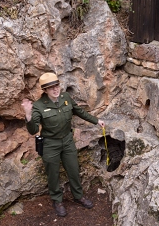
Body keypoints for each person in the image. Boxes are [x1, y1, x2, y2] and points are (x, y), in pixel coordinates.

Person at [21, 72, 105, 217]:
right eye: (51, 88)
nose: (55, 89)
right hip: (50, 144)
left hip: (67, 141)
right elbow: (33, 130)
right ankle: (57, 200)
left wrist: (96, 121)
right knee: (52, 174)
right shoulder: (39, 106)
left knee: (73, 169)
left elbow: (79, 111)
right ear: (45, 90)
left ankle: (78, 196)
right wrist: (28, 115)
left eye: (57, 85)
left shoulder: (65, 97)